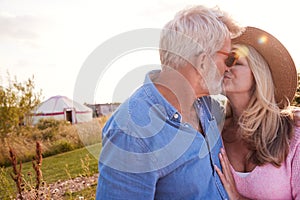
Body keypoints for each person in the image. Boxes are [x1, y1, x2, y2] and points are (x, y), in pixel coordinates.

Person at [95, 5, 244, 200]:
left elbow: (242, 111)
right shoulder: (132, 132)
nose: (229, 68)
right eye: (229, 58)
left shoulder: (207, 107)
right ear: (203, 62)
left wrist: (288, 116)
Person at [215, 26, 300, 199]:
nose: (225, 68)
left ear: (257, 75)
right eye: (224, 61)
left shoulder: (293, 133)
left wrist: (239, 198)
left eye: (235, 62)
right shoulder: (215, 130)